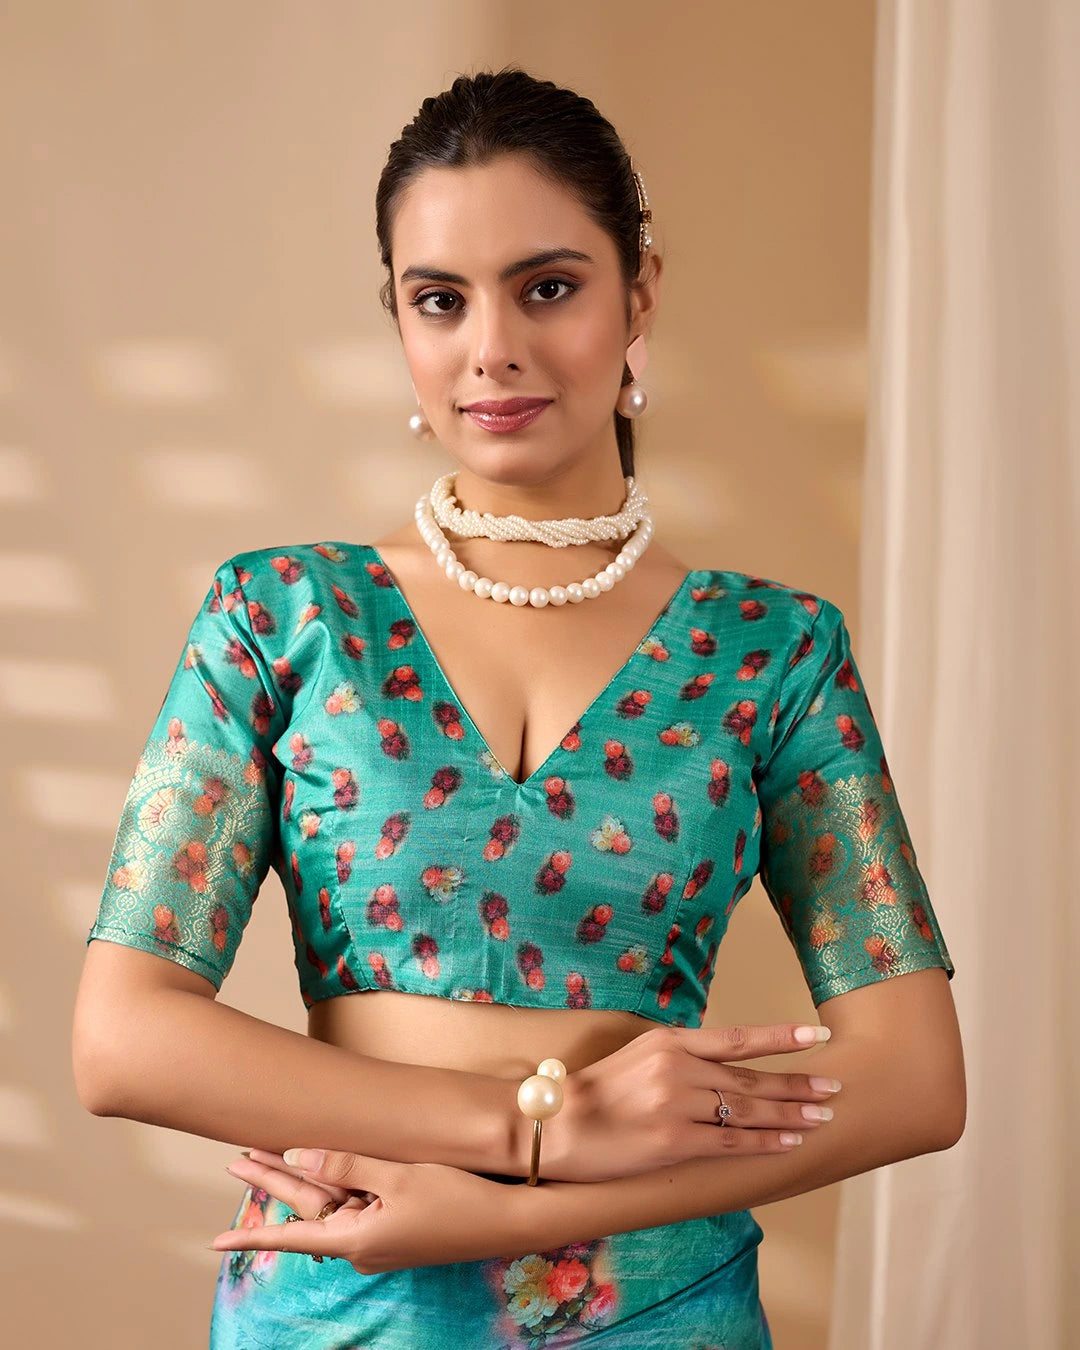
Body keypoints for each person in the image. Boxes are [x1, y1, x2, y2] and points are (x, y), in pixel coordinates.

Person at [72, 66, 962, 1350]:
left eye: (548, 287)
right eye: (440, 300)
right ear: (398, 319)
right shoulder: (281, 618)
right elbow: (122, 1040)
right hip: (338, 1302)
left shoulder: (772, 652)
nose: (491, 348)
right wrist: (535, 1128)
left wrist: (498, 1212)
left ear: (640, 291)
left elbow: (916, 1082)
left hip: (660, 1308)